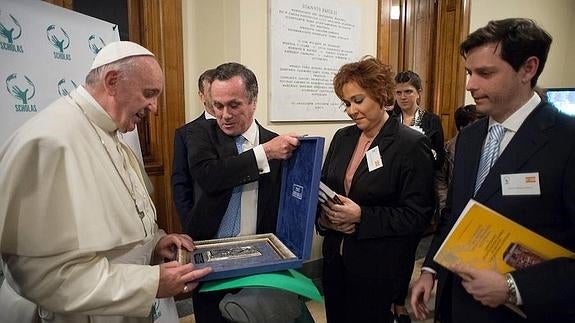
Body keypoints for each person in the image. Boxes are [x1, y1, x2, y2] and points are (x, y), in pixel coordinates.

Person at [0, 41, 213, 323]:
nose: (155, 108)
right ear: (112, 81)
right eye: (149, 94)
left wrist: (155, 243)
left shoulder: (112, 134)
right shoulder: (50, 141)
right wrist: (149, 283)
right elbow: (42, 276)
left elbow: (118, 234)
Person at [410, 18, 575, 323]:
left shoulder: (566, 141)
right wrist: (431, 269)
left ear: (528, 69)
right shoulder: (469, 138)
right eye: (469, 73)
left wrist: (515, 287)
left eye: (485, 73)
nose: (471, 85)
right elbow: (456, 214)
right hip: (454, 304)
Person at [317, 56, 435, 323]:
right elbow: (324, 189)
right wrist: (324, 218)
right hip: (336, 261)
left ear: (381, 96)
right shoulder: (342, 138)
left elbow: (418, 216)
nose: (350, 110)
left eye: (358, 101)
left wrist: (362, 216)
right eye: (346, 103)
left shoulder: (411, 144)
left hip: (378, 267)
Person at [185, 62, 300, 323]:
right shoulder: (200, 135)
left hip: (260, 261)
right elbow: (211, 176)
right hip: (210, 260)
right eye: (218, 105)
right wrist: (264, 153)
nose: (224, 114)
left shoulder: (278, 143)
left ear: (253, 101)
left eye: (234, 105)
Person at [391, 70, 445, 323]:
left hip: (417, 193)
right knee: (388, 252)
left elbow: (439, 159)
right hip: (390, 194)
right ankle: (388, 298)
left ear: (418, 93)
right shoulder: (389, 118)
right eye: (399, 92)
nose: (403, 97)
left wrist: (418, 149)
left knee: (405, 253)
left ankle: (400, 302)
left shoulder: (431, 121)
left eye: (408, 92)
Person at [172, 68, 216, 228]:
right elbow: (180, 184)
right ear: (201, 96)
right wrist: (189, 223)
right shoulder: (184, 134)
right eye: (211, 92)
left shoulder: (239, 129)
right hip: (200, 223)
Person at [436, 104, 481, 219]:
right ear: (462, 128)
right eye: (474, 125)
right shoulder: (449, 149)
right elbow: (440, 180)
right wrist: (445, 206)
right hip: (456, 208)